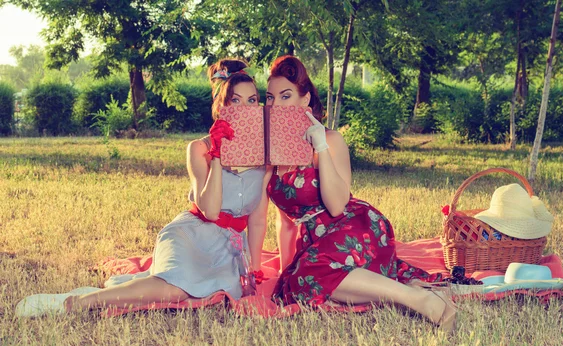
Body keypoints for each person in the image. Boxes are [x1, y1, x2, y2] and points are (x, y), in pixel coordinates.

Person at [16, 58, 271, 317]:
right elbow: (211, 211)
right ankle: (77, 302)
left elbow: (258, 218)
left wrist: (254, 267)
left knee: (204, 291)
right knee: (175, 291)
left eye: (252, 100)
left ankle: (129, 287)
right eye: (235, 100)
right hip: (193, 236)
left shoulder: (265, 156)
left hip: (229, 249)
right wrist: (217, 155)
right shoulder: (199, 149)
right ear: (220, 106)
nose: (245, 108)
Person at [264, 55, 457, 333]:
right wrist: (286, 272)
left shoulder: (330, 140)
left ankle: (424, 302)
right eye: (270, 98)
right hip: (315, 241)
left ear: (304, 100)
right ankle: (408, 294)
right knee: (297, 283)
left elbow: (336, 205)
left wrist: (320, 147)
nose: (275, 105)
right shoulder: (272, 152)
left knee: (312, 273)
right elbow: (284, 222)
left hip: (352, 224)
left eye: (285, 96)